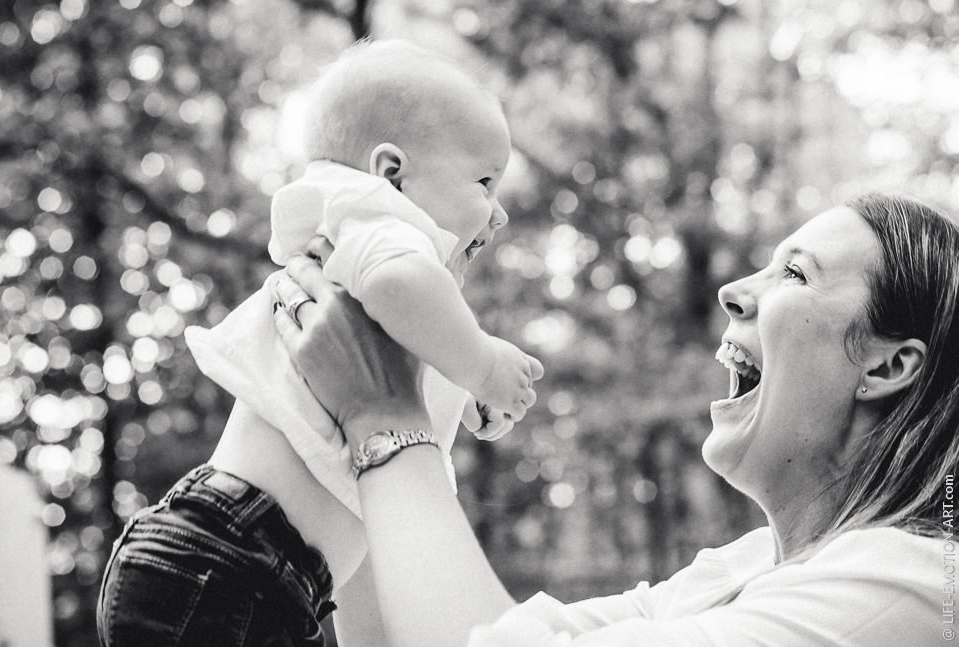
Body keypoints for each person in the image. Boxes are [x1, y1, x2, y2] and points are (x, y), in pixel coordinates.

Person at [271, 193, 957, 646]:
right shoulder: (741, 569)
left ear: (887, 367)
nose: (732, 291)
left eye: (796, 275)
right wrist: (393, 378)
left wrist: (380, 414)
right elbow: (425, 633)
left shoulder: (910, 587)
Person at [96, 40, 541, 646]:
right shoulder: (383, 222)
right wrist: (482, 364)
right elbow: (399, 284)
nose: (498, 213)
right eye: (485, 182)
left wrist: (459, 386)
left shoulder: (374, 267)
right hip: (229, 563)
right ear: (392, 173)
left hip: (241, 571)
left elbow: (375, 520)